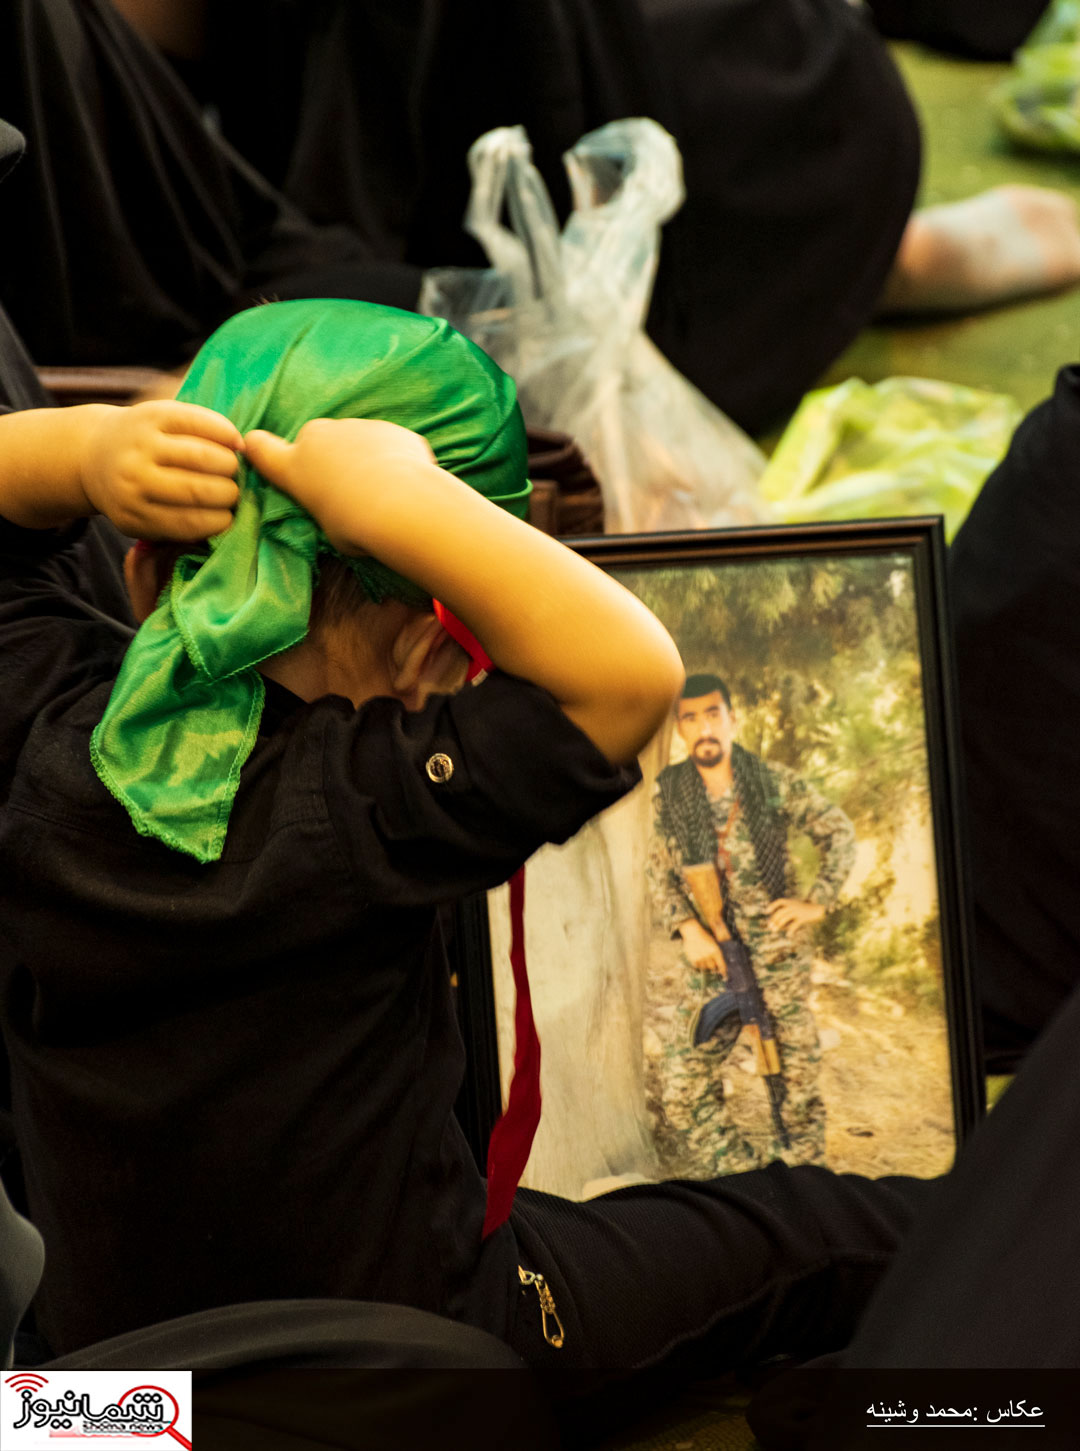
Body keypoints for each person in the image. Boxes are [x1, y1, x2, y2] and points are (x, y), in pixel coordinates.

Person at [0, 299, 932, 1438]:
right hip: (408, 1362)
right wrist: (399, 498)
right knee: (796, 1234)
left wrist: (84, 447)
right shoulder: (370, 802)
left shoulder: (34, 721)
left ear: (143, 573)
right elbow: (630, 675)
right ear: (435, 648)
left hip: (98, 1400)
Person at [648, 673, 855, 1173]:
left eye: (713, 714)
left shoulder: (772, 783)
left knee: (794, 1084)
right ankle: (743, 1177)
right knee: (683, 1084)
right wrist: (688, 929)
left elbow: (839, 832)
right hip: (712, 959)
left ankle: (801, 1180)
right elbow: (658, 872)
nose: (704, 728)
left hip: (777, 954)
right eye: (691, 718)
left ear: (732, 720)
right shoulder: (669, 795)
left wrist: (817, 902)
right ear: (680, 729)